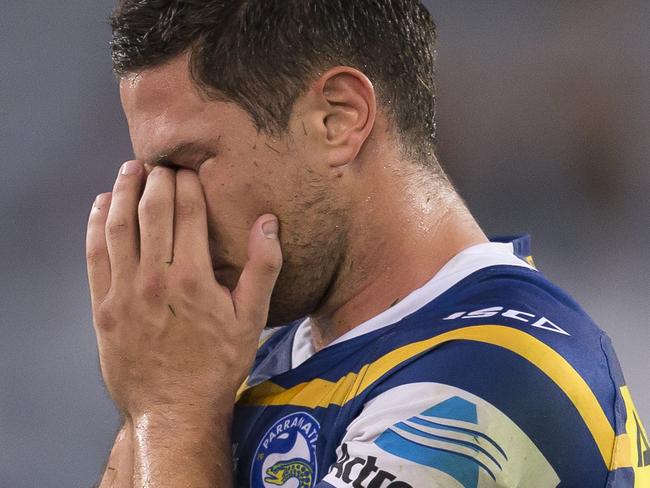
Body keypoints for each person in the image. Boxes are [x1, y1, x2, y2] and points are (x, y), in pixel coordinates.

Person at [87, 1, 649, 487]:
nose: (160, 206)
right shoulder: (254, 367)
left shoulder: (495, 380)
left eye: (186, 164)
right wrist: (158, 402)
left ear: (338, 118)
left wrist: (168, 406)